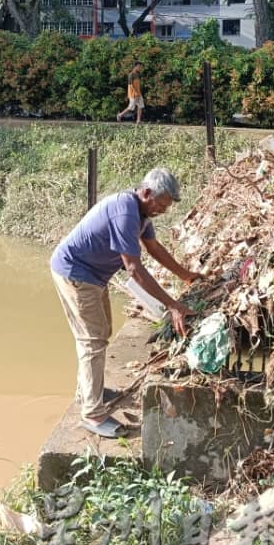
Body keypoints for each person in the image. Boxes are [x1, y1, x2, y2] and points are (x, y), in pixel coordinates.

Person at [51, 167, 203, 438]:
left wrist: (186, 275)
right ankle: (92, 414)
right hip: (75, 273)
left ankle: (89, 390)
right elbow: (133, 268)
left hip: (95, 276)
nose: (163, 211)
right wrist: (173, 305)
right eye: (161, 205)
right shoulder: (125, 212)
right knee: (92, 340)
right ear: (146, 193)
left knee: (101, 332)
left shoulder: (142, 213)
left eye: (166, 207)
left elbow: (153, 248)